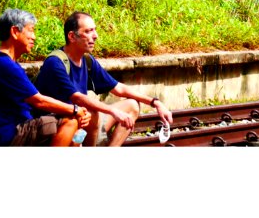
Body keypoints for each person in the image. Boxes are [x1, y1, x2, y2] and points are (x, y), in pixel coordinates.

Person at [34, 11, 173, 147]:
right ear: (71, 36)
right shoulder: (56, 63)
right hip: (62, 127)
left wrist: (155, 102)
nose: (95, 36)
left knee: (131, 106)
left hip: (84, 123)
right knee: (91, 111)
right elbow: (77, 98)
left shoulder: (87, 60)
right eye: (88, 31)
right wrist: (112, 111)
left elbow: (118, 88)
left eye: (94, 30)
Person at [0, 8, 90, 146]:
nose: (34, 37)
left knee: (72, 121)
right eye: (31, 30)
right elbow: (39, 101)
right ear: (15, 32)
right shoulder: (4, 64)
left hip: (15, 129)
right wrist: (75, 110)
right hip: (9, 135)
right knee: (70, 121)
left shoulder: (2, 63)